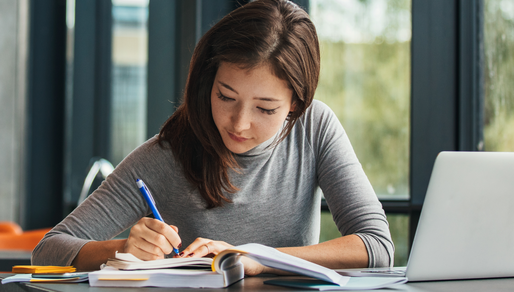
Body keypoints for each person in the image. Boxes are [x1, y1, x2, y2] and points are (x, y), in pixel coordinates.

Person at [32, 0, 393, 275]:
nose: (239, 123)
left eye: (265, 109)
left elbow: (376, 245)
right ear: (208, 82)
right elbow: (48, 250)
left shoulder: (314, 128)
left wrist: (255, 257)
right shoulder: (167, 154)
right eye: (225, 97)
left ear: (295, 105)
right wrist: (123, 248)